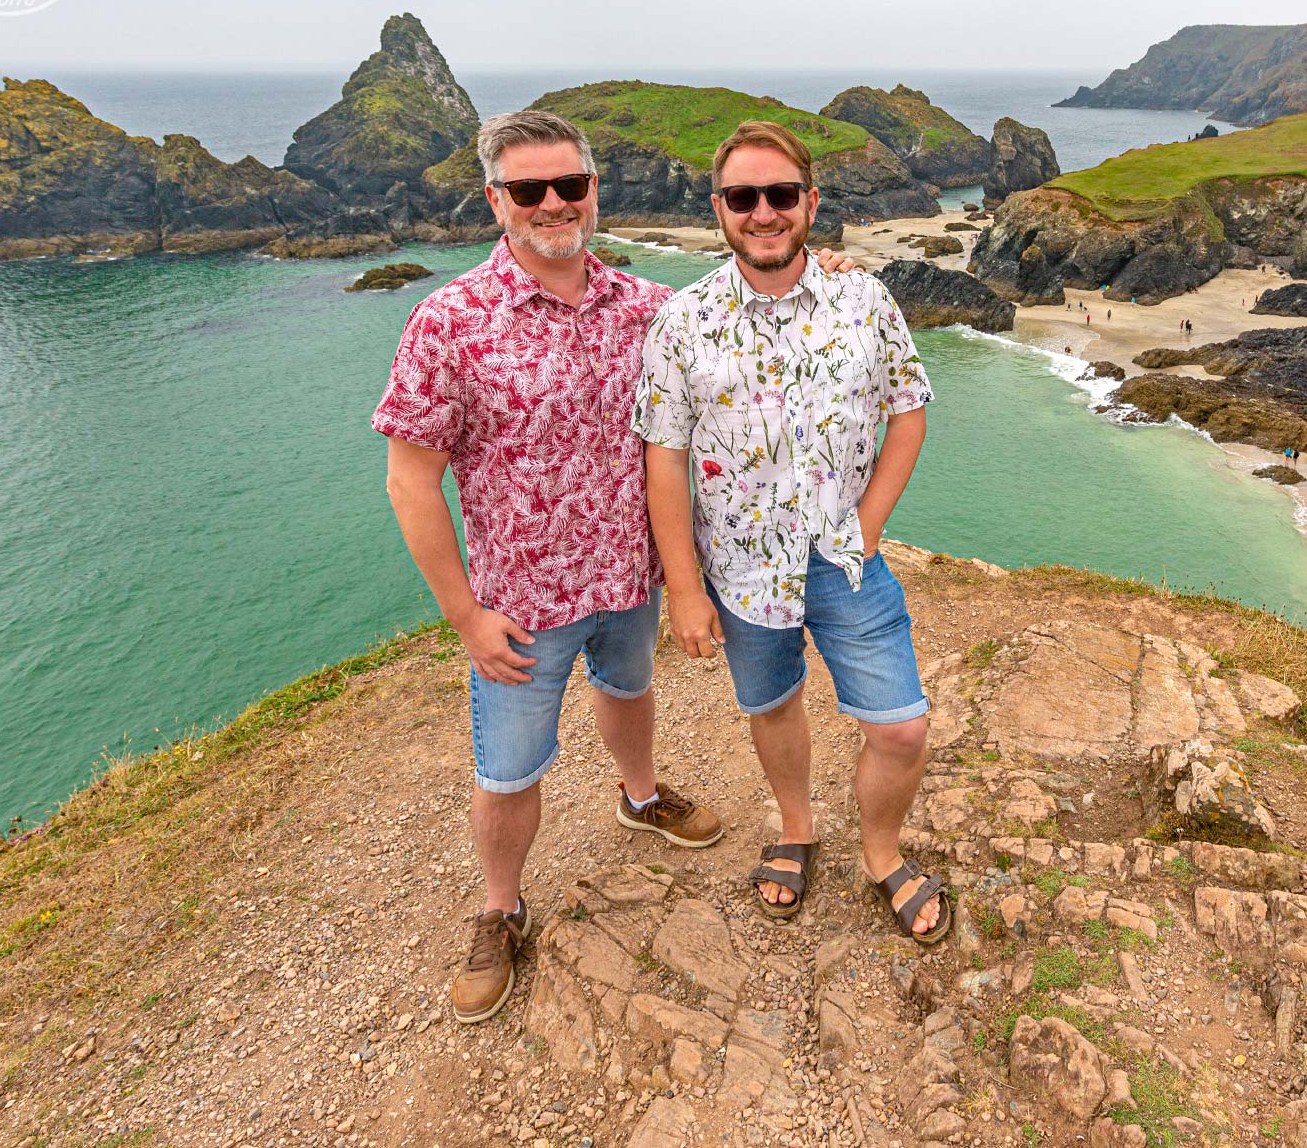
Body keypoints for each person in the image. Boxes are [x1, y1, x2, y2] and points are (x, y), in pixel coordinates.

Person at [374, 110, 730, 1024]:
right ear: (496, 201)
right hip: (519, 605)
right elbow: (411, 480)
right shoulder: (448, 321)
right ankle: (500, 908)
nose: (553, 204)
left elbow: (748, 308)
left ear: (594, 190)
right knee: (508, 771)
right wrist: (464, 616)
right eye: (528, 189)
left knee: (629, 689)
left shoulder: (650, 308)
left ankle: (639, 796)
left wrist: (835, 270)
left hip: (628, 580)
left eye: (569, 185)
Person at [636, 121, 950, 944]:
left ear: (811, 202)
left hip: (845, 563)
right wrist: (684, 589)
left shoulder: (866, 300)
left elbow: (909, 412)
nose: (764, 212)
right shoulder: (682, 320)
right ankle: (798, 825)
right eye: (745, 197)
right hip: (739, 574)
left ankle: (880, 852)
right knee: (772, 705)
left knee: (902, 725)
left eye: (782, 194)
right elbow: (662, 458)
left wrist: (870, 526)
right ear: (720, 210)